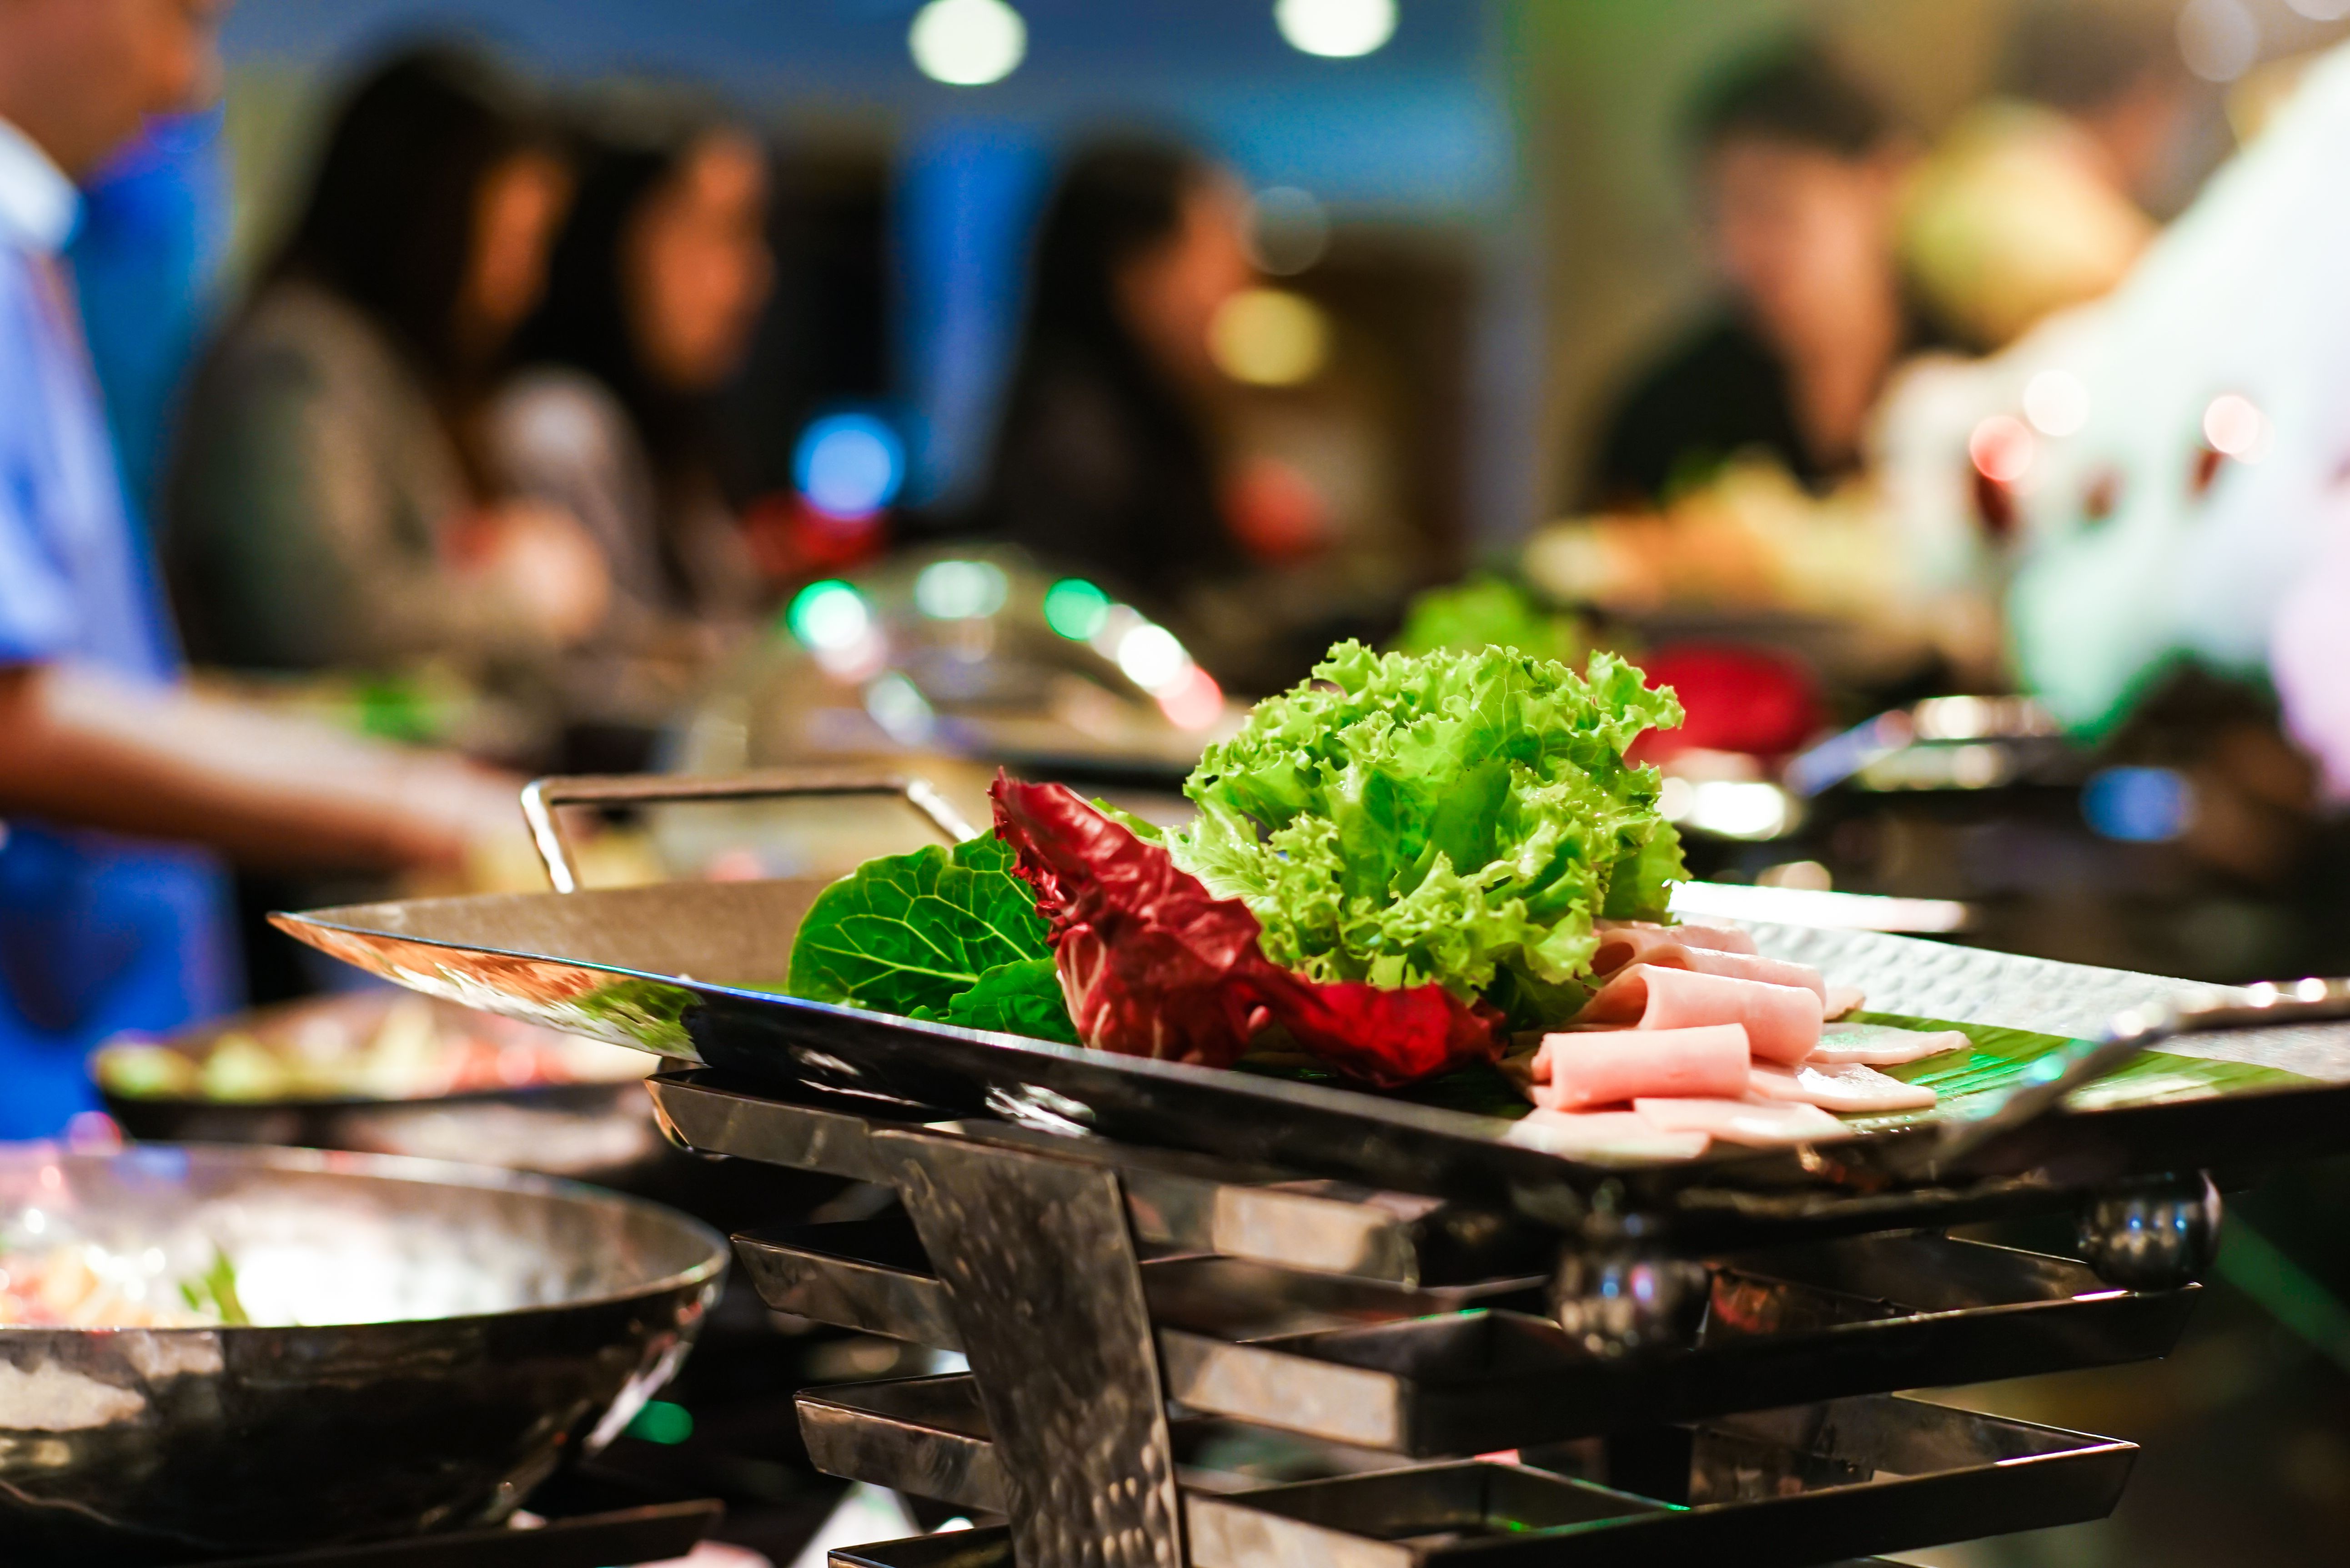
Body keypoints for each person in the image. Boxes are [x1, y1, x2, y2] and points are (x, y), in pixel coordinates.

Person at [0, 0, 522, 1139]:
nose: (192, 84)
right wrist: (427, 804)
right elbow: (13, 712)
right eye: (178, 17)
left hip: (93, 1048)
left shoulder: (31, 247)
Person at [166, 45, 608, 687]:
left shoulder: (374, 361)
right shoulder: (298, 359)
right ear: (427, 213)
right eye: (509, 243)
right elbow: (320, 622)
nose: (523, 284)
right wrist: (526, 599)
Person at [1584, 43, 1926, 508]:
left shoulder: (1982, 376)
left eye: (1773, 209)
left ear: (1884, 182)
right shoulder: (1669, 412)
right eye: (1715, 219)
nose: (1738, 253)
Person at [494, 101, 775, 660]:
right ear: (612, 238)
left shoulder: (672, 437)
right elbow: (606, 687)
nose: (753, 281)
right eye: (720, 232)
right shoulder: (561, 428)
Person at [971, 138, 1256, 624]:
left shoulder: (1132, 418)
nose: (1240, 280)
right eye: (1215, 245)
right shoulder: (1073, 442)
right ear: (1132, 269)